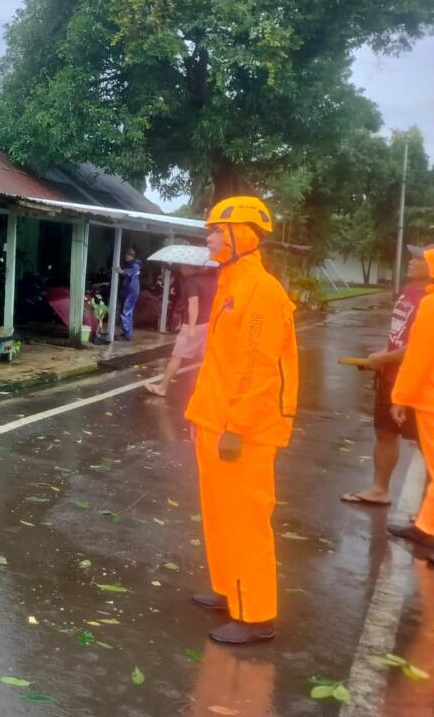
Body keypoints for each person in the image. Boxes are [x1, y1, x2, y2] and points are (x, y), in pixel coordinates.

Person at [185, 196, 298, 645]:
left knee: (246, 519)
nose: (209, 237)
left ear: (243, 235)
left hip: (242, 430)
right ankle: (228, 589)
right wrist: (201, 412)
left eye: (216, 230)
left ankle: (256, 615)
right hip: (216, 419)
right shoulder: (232, 284)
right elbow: (220, 363)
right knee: (218, 513)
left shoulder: (262, 291)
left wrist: (237, 426)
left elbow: (259, 368)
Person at [341, 245, 428, 506]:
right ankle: (380, 490)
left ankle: (427, 512)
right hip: (391, 378)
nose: (410, 262)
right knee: (385, 432)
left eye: (418, 259)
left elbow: (422, 348)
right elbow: (399, 337)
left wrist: (384, 358)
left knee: (427, 444)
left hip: (418, 383)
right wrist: (381, 357)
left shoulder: (430, 299)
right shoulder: (409, 291)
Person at [387, 244, 434, 557]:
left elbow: (419, 357)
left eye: (423, 258)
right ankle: (426, 526)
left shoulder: (431, 305)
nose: (416, 261)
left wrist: (400, 397)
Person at [146, 263, 216, 396]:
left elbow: (193, 305)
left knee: (177, 356)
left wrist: (191, 328)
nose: (181, 269)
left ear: (190, 267)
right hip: (210, 323)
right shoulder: (213, 279)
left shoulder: (192, 281)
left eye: (183, 266)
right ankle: (207, 391)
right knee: (207, 359)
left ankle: (162, 387)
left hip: (195, 324)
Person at [118, 247, 141, 340]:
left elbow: (129, 273)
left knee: (126, 312)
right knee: (127, 312)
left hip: (131, 291)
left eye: (127, 255)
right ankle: (126, 333)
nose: (125, 256)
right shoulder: (132, 264)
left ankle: (127, 334)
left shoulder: (135, 265)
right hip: (129, 291)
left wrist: (121, 271)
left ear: (131, 255)